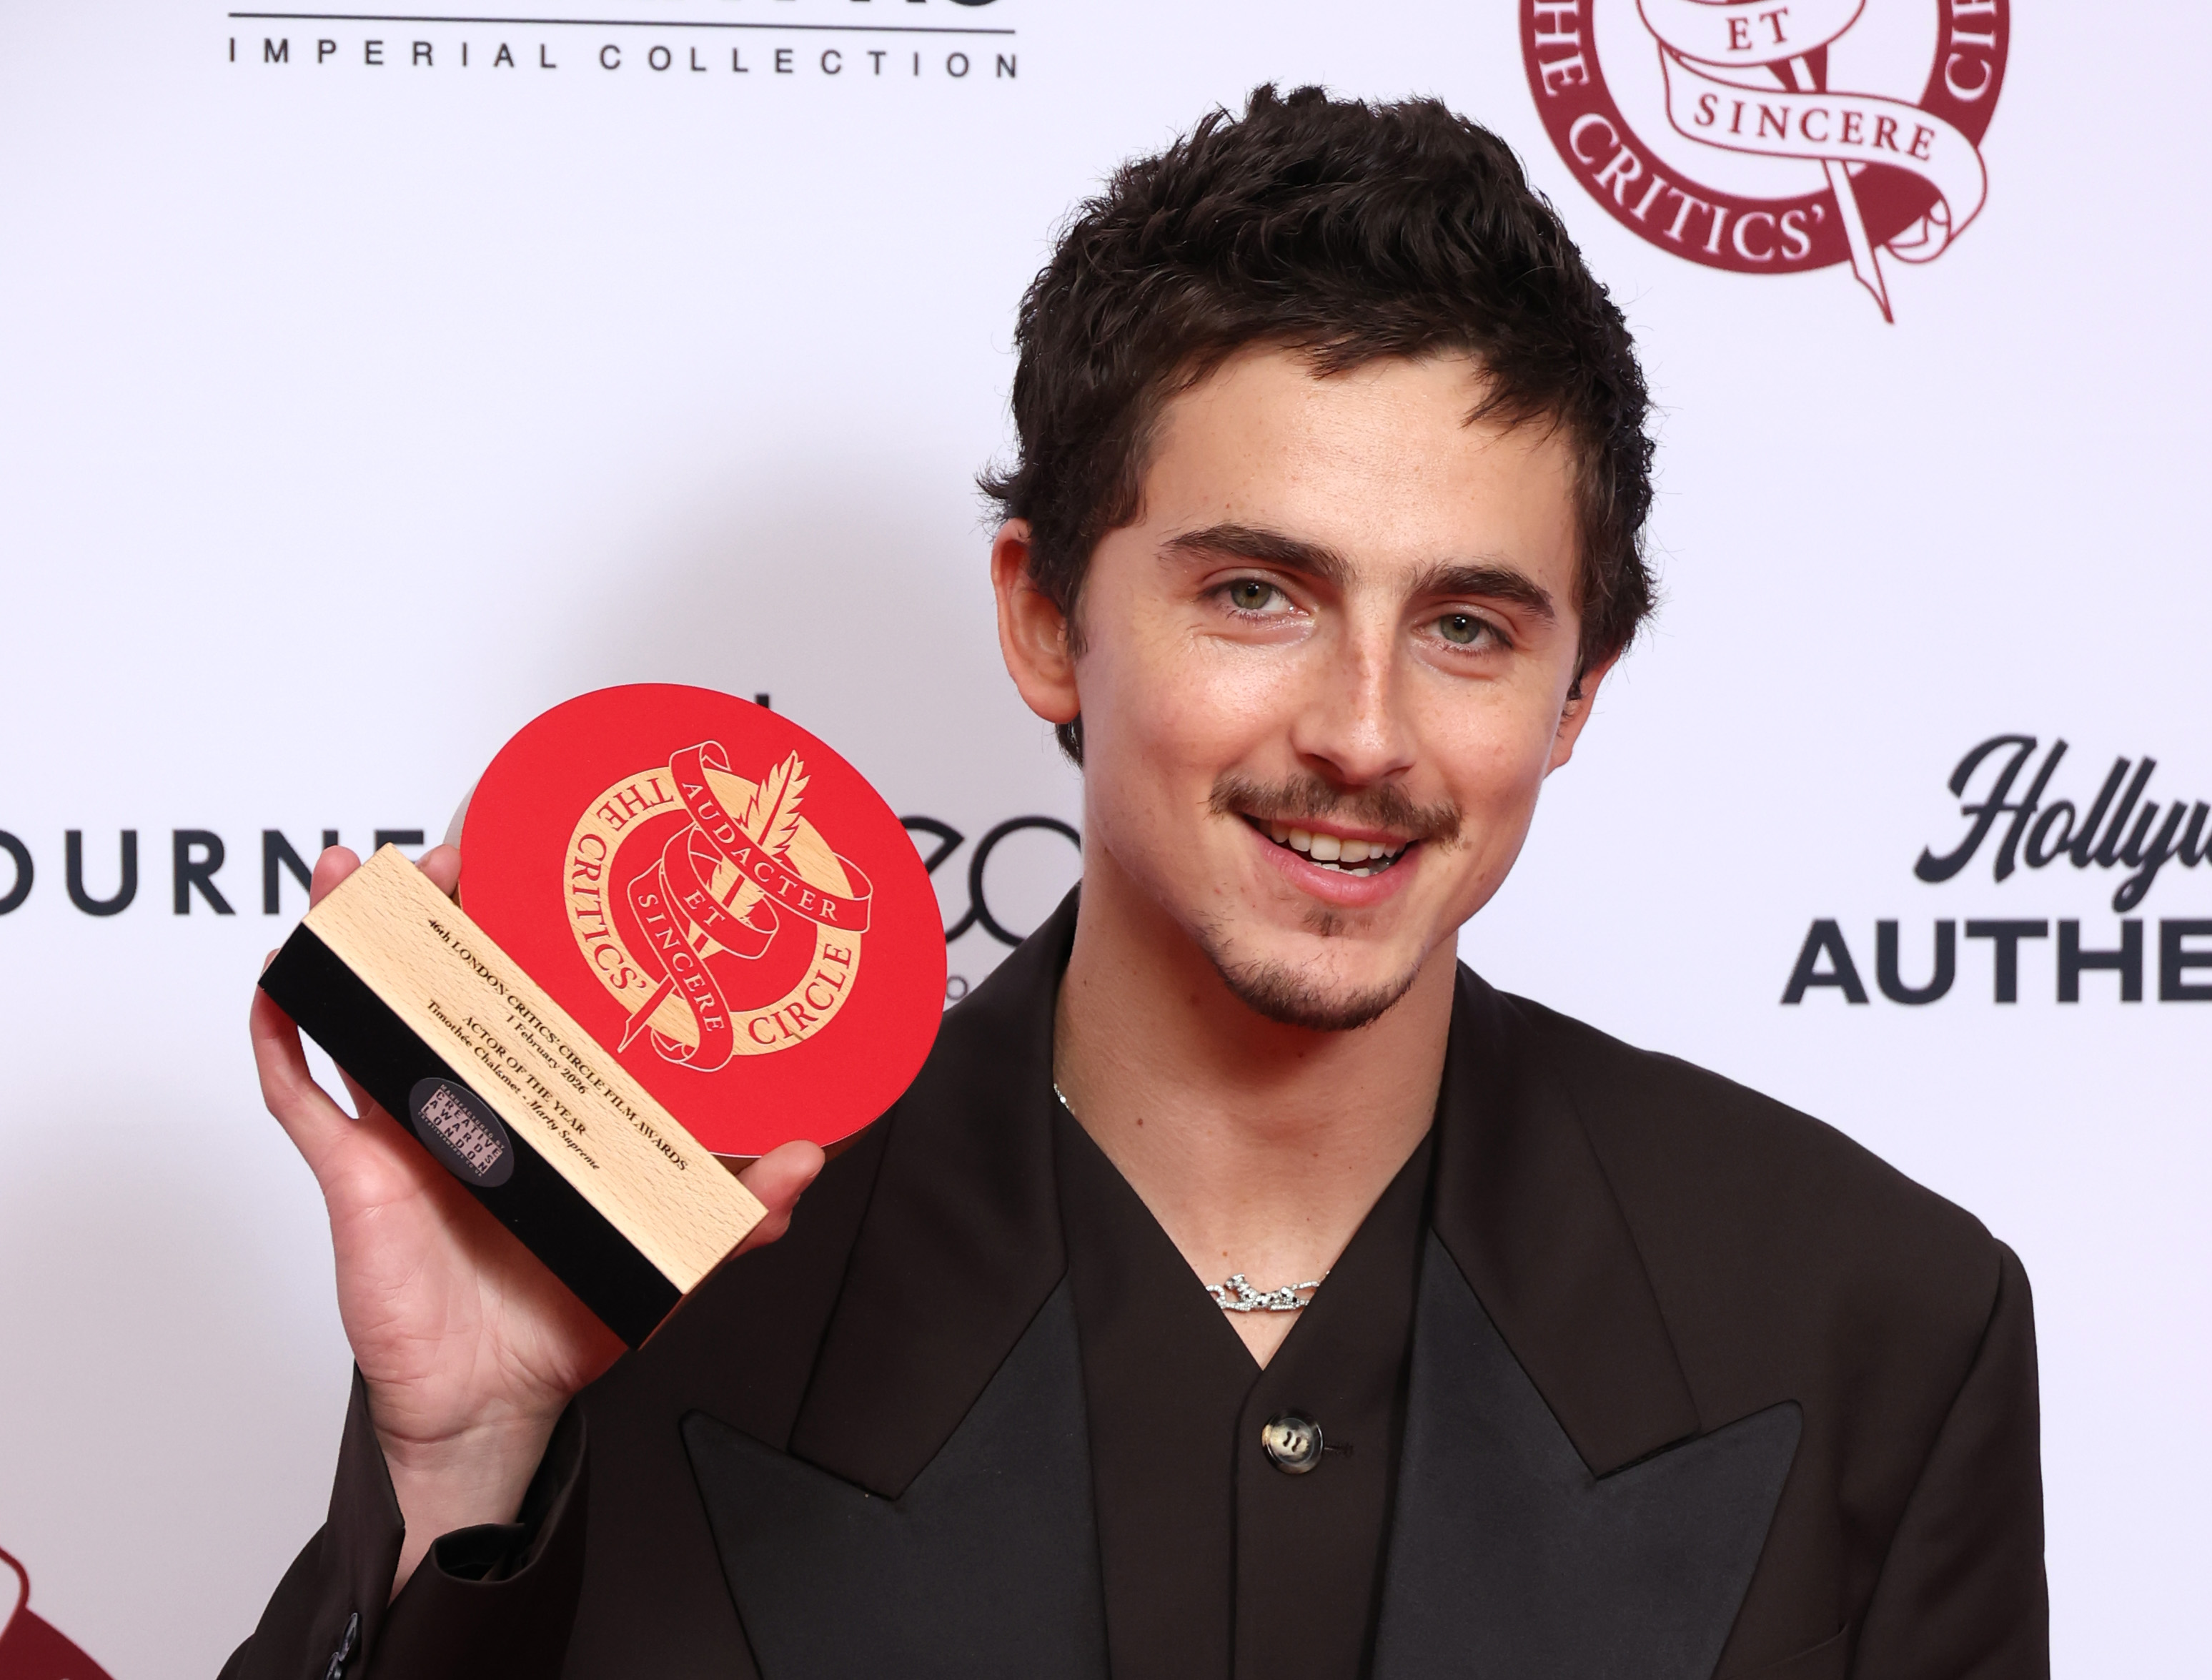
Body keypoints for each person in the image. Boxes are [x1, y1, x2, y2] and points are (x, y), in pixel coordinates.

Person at [225, 87, 2046, 1680]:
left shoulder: (1877, 1320)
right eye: (1256, 593)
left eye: (1469, 627)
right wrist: (465, 1461)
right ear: (1045, 619)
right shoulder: (650, 1282)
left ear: (1576, 696)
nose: (1363, 732)